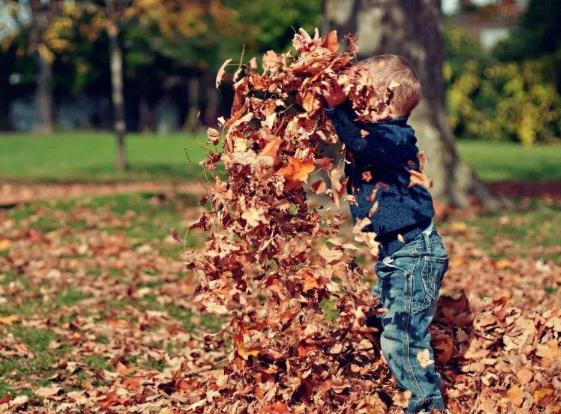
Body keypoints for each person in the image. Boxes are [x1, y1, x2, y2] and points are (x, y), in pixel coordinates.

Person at [323, 54, 450, 414]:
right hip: (398, 256)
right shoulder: (378, 136)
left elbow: (362, 143)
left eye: (359, 97)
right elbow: (356, 137)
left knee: (403, 340)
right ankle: (387, 384)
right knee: (378, 319)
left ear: (379, 100)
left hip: (414, 255)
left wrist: (338, 111)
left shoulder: (395, 137)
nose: (352, 104)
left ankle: (427, 406)